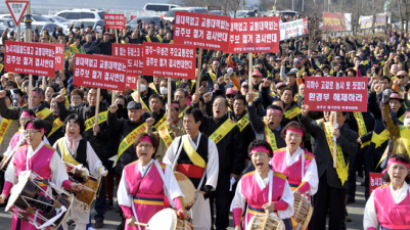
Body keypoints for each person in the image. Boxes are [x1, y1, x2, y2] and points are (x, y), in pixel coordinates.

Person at [0, 118, 83, 230]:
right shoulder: (19, 151)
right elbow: (10, 175)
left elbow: (60, 175)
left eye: (33, 132)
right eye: (27, 132)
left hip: (41, 199)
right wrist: (4, 193)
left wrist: (71, 185)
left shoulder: (50, 153)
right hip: (20, 199)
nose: (29, 135)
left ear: (42, 132)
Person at [300, 105, 358, 230]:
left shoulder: (351, 134)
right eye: (332, 115)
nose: (334, 118)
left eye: (338, 115)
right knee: (317, 213)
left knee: (337, 215)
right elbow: (309, 127)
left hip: (338, 179)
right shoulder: (321, 129)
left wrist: (340, 138)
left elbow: (353, 151)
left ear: (344, 117)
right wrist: (304, 115)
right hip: (320, 177)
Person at [163, 107, 219, 230]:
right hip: (180, 188)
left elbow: (213, 166)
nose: (186, 125)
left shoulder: (209, 144)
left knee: (200, 223)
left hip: (200, 189)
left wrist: (209, 186)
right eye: (184, 121)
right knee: (178, 223)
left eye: (189, 121)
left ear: (198, 123)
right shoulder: (178, 141)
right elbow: (167, 161)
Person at [117, 133, 187, 230]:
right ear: (135, 148)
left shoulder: (163, 168)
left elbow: (174, 190)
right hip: (135, 217)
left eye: (147, 146)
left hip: (157, 217)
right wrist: (129, 215)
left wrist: (180, 208)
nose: (143, 149)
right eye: (140, 145)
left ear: (153, 150)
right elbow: (122, 196)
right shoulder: (128, 169)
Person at [53, 113, 108, 230]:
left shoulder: (85, 144)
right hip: (63, 187)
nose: (72, 128)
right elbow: (52, 164)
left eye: (75, 126)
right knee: (62, 218)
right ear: (65, 126)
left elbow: (94, 162)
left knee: (81, 221)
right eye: (70, 125)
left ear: (80, 128)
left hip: (81, 187)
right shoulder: (59, 143)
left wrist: (101, 169)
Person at [231, 139, 294, 230]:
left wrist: (275, 205)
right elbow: (237, 204)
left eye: (261, 154)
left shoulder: (281, 179)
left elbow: (289, 202)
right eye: (255, 155)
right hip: (251, 224)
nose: (258, 158)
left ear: (269, 158)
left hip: (273, 224)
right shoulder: (245, 180)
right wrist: (237, 225)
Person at [270, 121, 318, 199]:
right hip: (278, 196)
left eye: (297, 136)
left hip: (299, 198)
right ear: (285, 137)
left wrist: (298, 191)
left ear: (301, 139)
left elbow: (310, 179)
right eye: (291, 135)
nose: (293, 138)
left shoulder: (308, 158)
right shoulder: (275, 155)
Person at [363, 154, 410, 229]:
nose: (397, 171)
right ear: (388, 169)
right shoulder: (377, 194)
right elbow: (369, 221)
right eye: (394, 167)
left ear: (407, 172)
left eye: (402, 168)